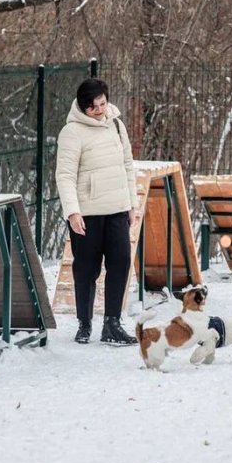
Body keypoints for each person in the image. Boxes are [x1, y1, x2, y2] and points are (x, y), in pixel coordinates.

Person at [55, 78, 140, 345]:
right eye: (93, 107)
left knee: (120, 263)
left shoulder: (116, 124)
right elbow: (65, 175)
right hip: (87, 213)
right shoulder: (72, 132)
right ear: (82, 107)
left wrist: (131, 204)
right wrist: (72, 212)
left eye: (103, 103)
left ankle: (112, 324)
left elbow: (127, 164)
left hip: (116, 208)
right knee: (86, 269)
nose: (100, 109)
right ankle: (84, 323)